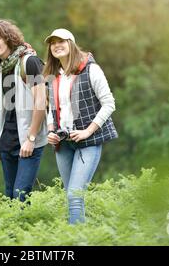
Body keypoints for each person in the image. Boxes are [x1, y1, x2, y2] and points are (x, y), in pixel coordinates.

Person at [43, 28, 118, 224]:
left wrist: (88, 131)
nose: (56, 45)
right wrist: (50, 131)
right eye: (53, 42)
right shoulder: (52, 75)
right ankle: (80, 235)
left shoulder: (92, 69)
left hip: (88, 142)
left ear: (71, 44)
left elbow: (109, 103)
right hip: (63, 144)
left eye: (62, 41)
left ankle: (75, 239)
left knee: (74, 196)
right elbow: (49, 108)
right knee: (72, 197)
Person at [0, 18, 47, 202]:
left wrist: (31, 138)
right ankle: (15, 231)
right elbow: (3, 111)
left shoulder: (29, 62)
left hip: (29, 139)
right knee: (10, 198)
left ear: (8, 38)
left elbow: (41, 102)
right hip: (7, 141)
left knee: (20, 195)